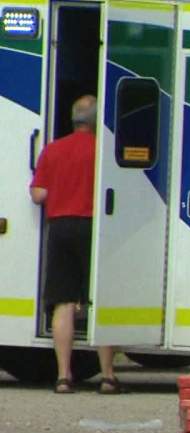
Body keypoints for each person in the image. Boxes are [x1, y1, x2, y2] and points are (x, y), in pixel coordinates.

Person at [29, 95, 124, 394]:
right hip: (96, 227)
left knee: (64, 302)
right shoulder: (105, 150)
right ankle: (107, 376)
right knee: (102, 300)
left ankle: (63, 377)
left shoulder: (53, 149)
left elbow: (38, 194)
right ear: (98, 120)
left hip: (60, 227)